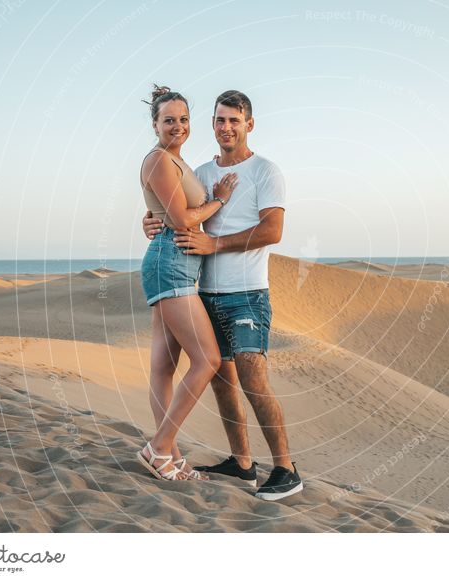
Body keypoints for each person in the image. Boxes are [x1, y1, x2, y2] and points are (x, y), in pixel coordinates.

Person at [143, 90, 303, 501]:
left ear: (250, 124)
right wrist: (153, 221)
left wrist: (215, 245)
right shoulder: (196, 169)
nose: (226, 127)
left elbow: (272, 231)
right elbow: (178, 211)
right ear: (212, 124)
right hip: (204, 290)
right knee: (220, 380)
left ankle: (285, 468)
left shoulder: (266, 171)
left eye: (235, 120)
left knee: (252, 375)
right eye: (220, 120)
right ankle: (241, 463)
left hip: (247, 293)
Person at [135, 85, 239, 482]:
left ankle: (170, 456)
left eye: (182, 119)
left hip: (172, 263)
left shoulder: (176, 163)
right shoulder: (160, 160)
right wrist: (219, 200)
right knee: (208, 360)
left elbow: (164, 213)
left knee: (164, 366)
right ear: (155, 124)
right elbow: (181, 220)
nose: (177, 126)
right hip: (171, 265)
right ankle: (159, 448)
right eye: (168, 120)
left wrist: (157, 217)